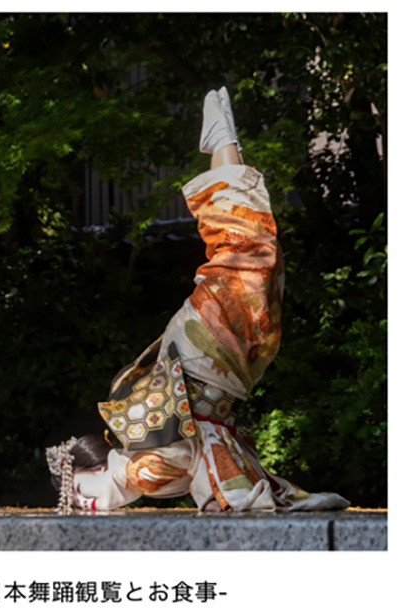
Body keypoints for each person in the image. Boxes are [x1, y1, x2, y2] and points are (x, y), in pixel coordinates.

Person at [47, 87, 350, 514]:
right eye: (76, 502)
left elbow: (187, 452)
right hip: (221, 371)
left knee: (247, 253)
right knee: (261, 259)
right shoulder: (137, 471)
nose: (84, 503)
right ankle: (225, 145)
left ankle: (221, 141)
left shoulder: (130, 467)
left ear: (93, 468)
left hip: (202, 355)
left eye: (77, 490)